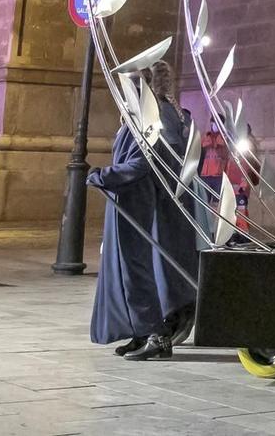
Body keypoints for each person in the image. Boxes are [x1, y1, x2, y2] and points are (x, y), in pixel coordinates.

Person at [88, 61, 197, 359]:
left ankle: (155, 334)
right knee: (128, 268)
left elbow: (145, 162)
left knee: (136, 268)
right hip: (131, 200)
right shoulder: (158, 114)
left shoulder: (154, 116)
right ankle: (140, 331)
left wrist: (103, 176)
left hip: (137, 200)